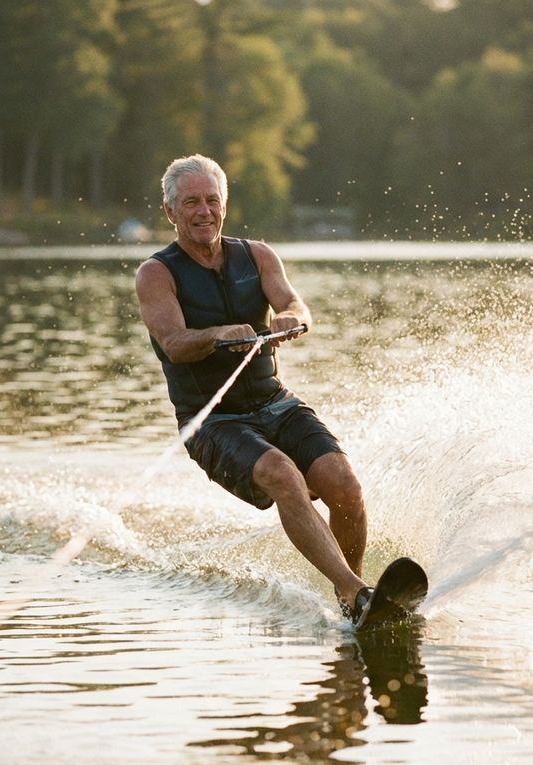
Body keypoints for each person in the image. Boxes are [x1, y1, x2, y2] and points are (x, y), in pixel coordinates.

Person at [135, 154, 373, 621]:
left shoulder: (258, 256)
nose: (203, 211)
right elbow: (174, 343)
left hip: (275, 403)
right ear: (170, 212)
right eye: (190, 203)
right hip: (213, 422)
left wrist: (293, 318)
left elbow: (295, 303)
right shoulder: (156, 274)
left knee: (343, 484)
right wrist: (217, 334)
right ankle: (354, 589)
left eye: (211, 201)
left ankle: (356, 599)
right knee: (283, 475)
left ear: (224, 205)